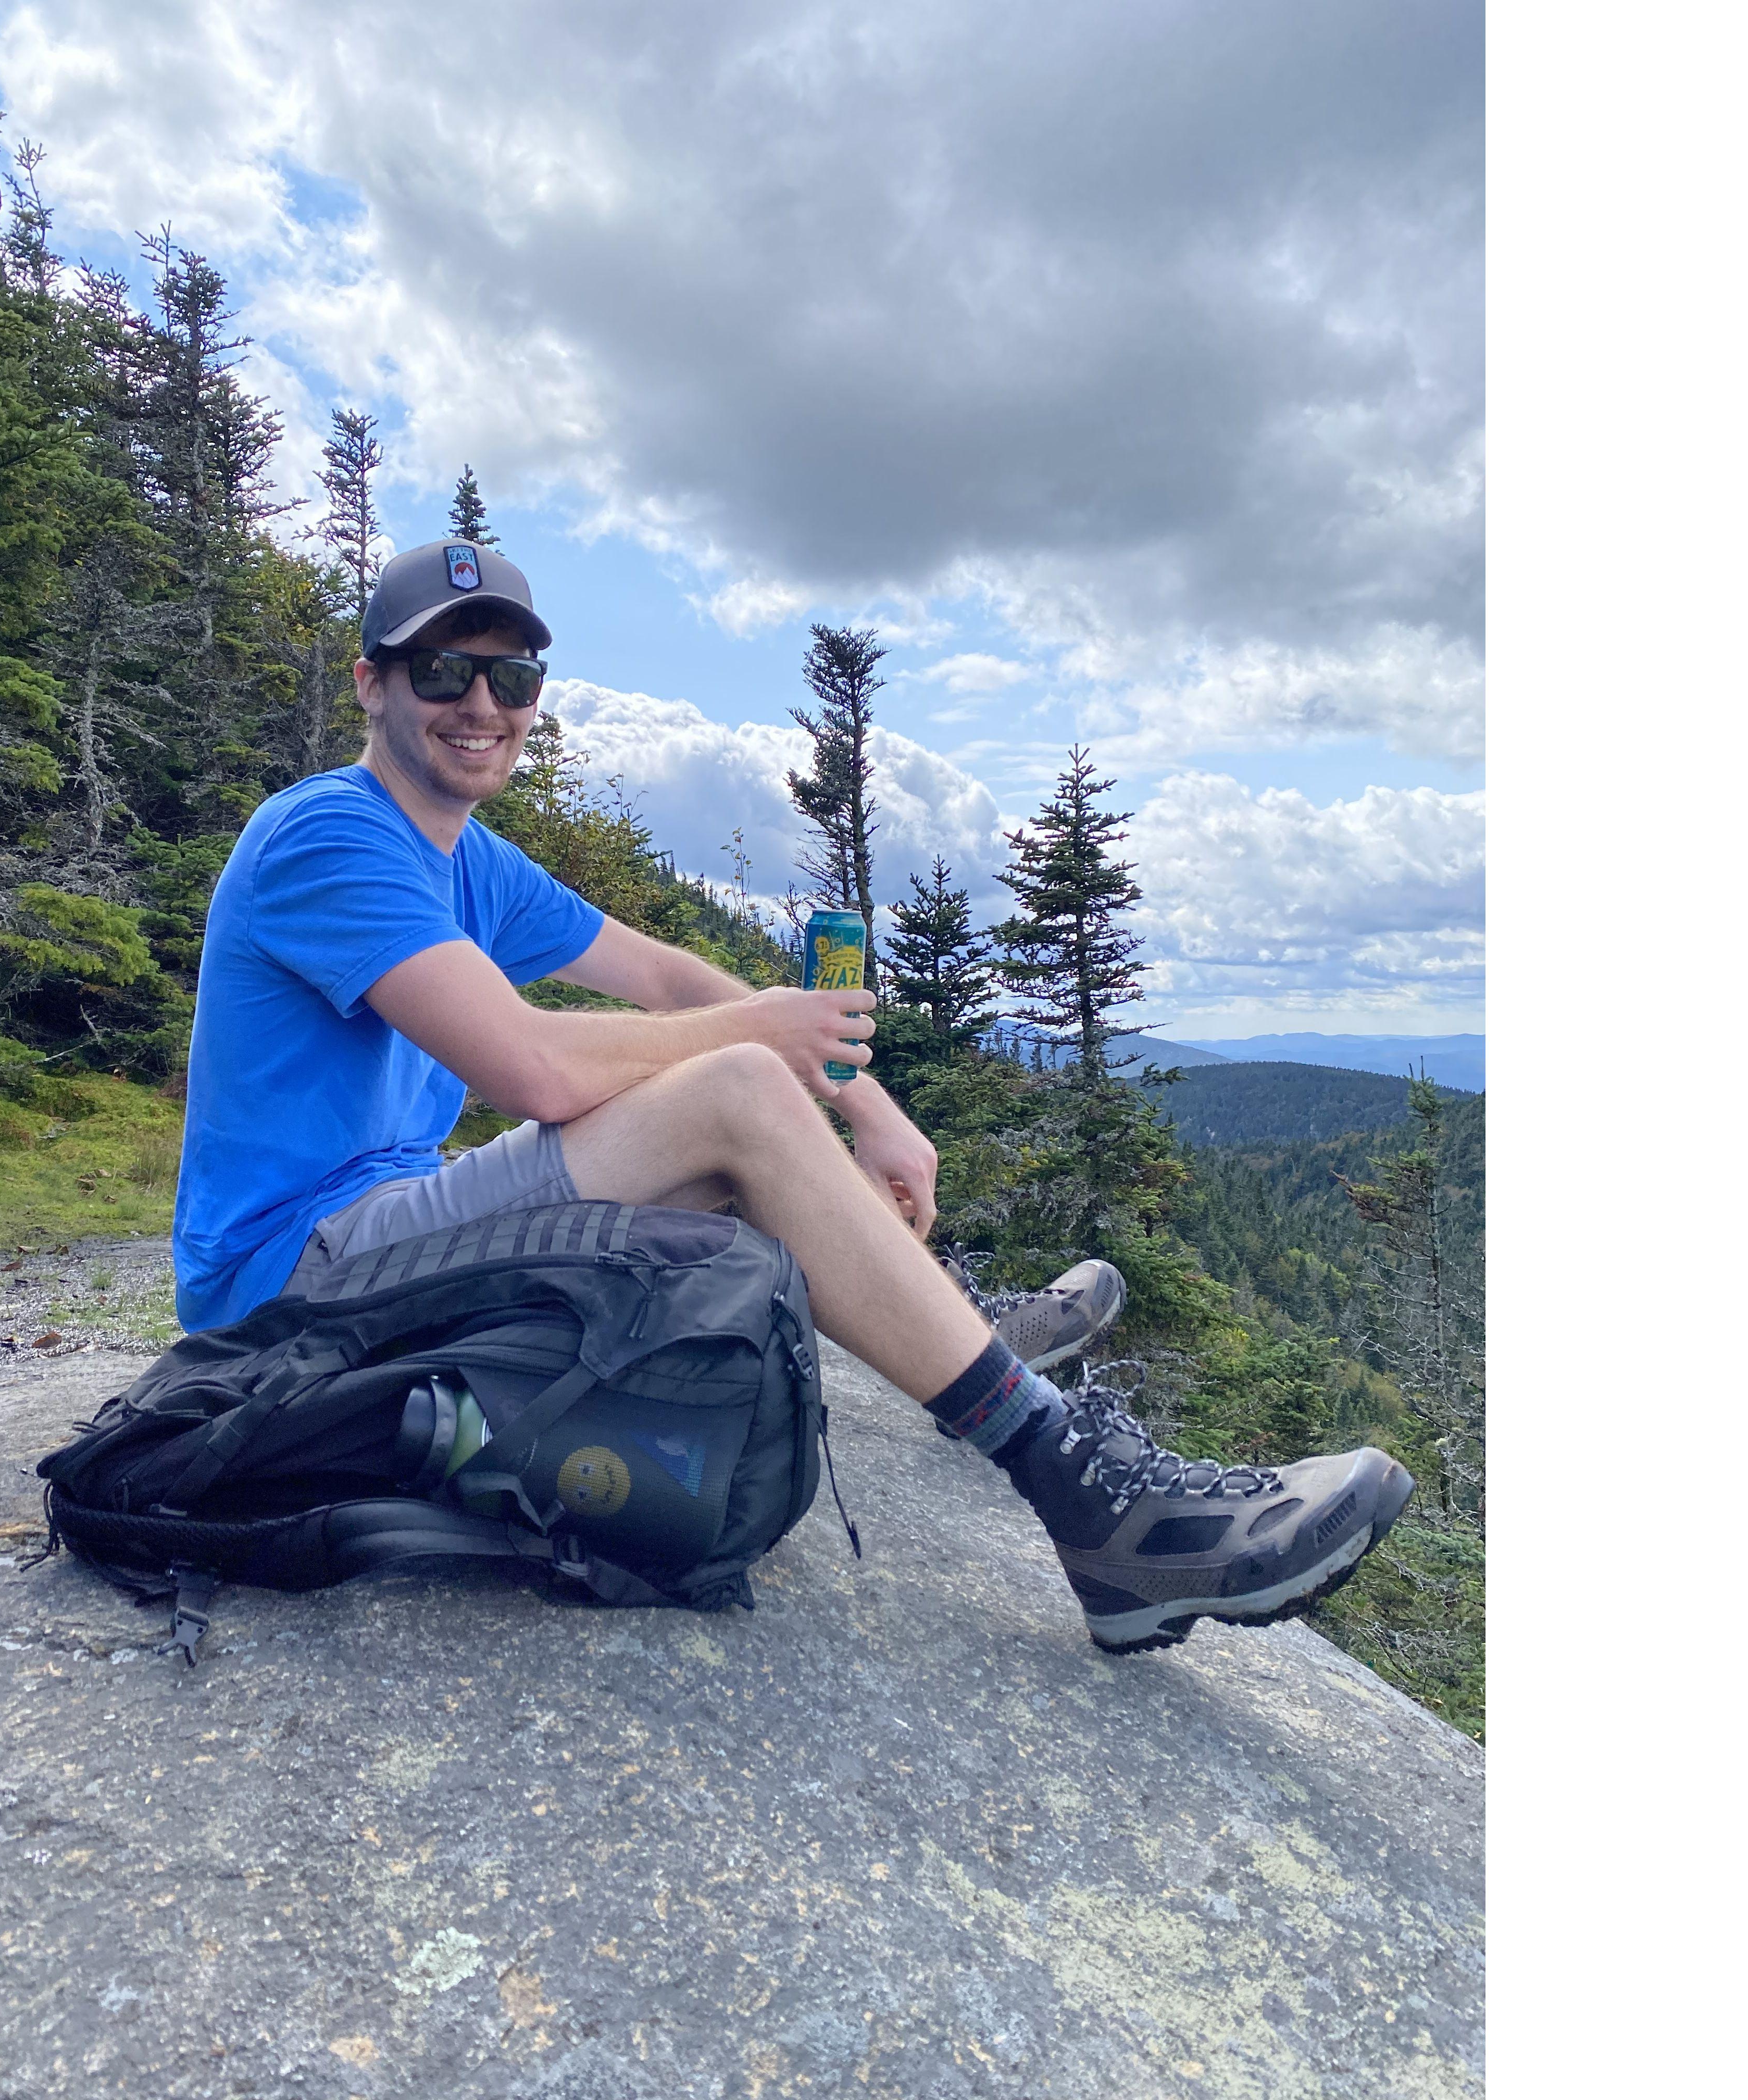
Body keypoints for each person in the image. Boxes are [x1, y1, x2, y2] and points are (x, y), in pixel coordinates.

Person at [173, 539, 1412, 1653]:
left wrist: (867, 1105)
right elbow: (532, 1070)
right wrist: (766, 1045)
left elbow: (666, 976)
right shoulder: (328, 836)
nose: (483, 705)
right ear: (372, 684)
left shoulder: (463, 858)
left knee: (727, 1086)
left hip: (378, 1238)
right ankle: (1088, 1496)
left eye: (514, 677)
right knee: (730, 1092)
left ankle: (943, 1321)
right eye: (443, 672)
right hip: (285, 1289)